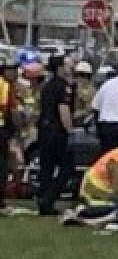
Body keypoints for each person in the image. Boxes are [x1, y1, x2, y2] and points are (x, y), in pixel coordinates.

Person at [34, 57, 74, 216]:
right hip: (57, 132)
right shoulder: (63, 87)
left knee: (47, 168)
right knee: (67, 167)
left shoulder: (47, 86)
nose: (70, 67)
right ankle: (48, 199)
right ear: (60, 68)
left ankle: (43, 201)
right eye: (67, 64)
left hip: (44, 130)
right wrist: (70, 130)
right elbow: (63, 109)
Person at [0, 58, 20, 210]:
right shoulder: (5, 86)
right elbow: (11, 110)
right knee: (2, 165)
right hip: (2, 130)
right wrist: (18, 126)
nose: (15, 73)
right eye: (12, 69)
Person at [72, 61, 95, 127]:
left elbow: (90, 109)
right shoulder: (74, 87)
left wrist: (78, 113)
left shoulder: (91, 91)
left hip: (83, 124)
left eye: (79, 75)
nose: (77, 78)